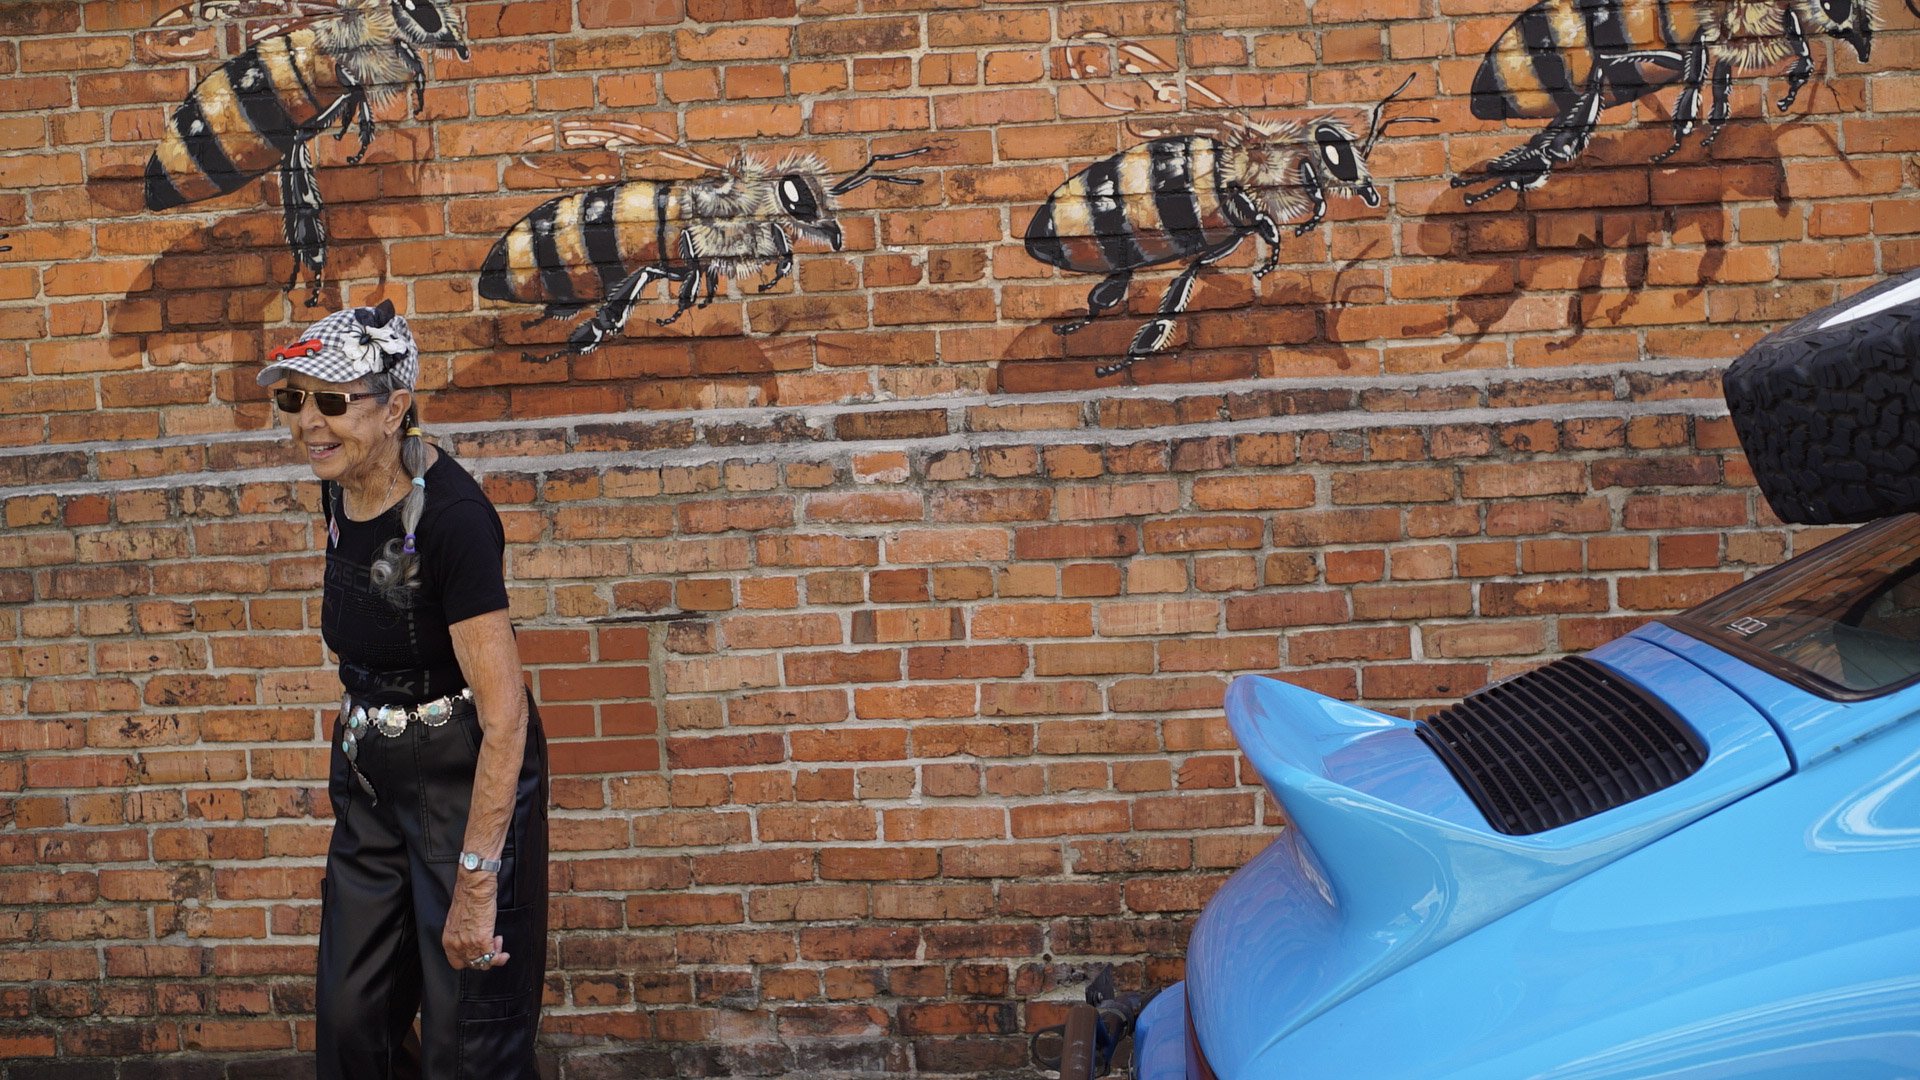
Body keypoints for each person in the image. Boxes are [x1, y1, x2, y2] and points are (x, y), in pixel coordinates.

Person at [260, 300, 548, 1079]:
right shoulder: (340, 484)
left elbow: (506, 716)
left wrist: (479, 880)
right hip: (372, 778)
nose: (306, 423)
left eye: (329, 401)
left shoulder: (454, 519)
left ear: (395, 408)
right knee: (353, 1022)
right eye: (291, 398)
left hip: (464, 779)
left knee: (469, 1037)